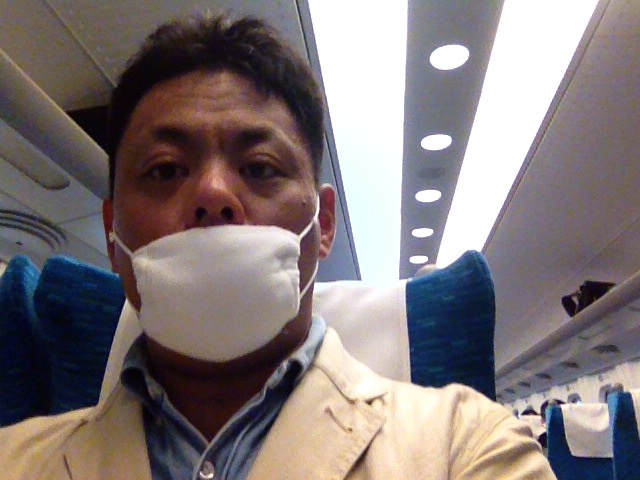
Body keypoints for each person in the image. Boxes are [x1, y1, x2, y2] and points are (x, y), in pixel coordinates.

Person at [0, 13, 556, 479]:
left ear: (324, 224)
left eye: (260, 167)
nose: (213, 195)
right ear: (112, 233)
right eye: (165, 169)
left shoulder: (465, 444)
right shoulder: (14, 460)